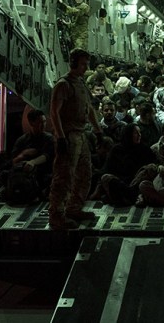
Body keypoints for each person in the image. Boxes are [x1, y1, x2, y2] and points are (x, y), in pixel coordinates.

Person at [47, 48, 103, 230]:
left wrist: (98, 131)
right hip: (69, 135)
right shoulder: (63, 85)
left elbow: (90, 109)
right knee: (64, 176)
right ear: (73, 64)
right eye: (83, 64)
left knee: (84, 173)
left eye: (87, 64)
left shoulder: (80, 84)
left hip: (81, 134)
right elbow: (54, 112)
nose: (86, 67)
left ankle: (73, 208)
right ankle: (57, 215)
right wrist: (61, 137)